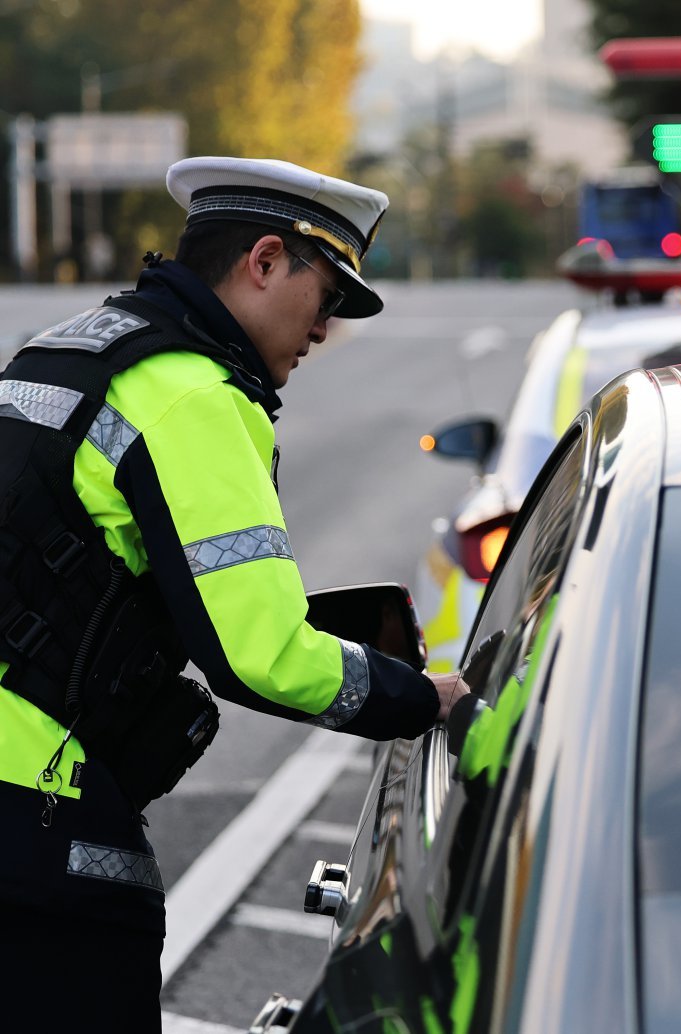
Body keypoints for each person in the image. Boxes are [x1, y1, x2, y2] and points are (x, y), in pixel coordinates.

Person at [0, 157, 469, 1031]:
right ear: (263, 262)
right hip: (34, 818)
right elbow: (259, 652)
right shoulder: (192, 396)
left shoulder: (67, 351)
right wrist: (418, 696)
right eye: (324, 296)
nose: (324, 329)